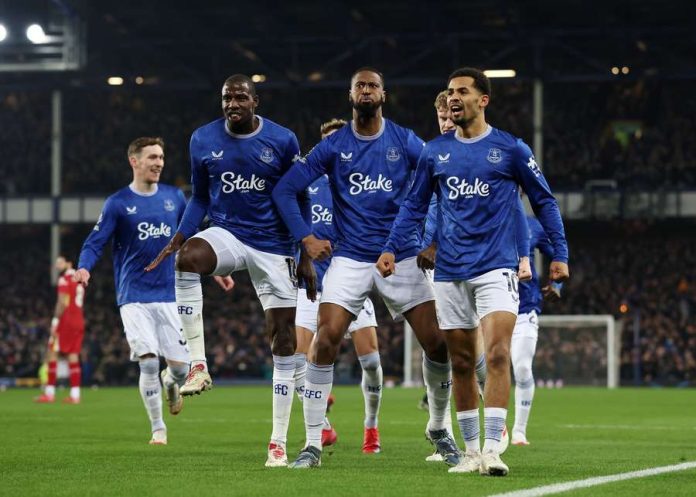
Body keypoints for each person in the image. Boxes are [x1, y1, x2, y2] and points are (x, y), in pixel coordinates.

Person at [377, 67, 569, 476]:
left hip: (495, 268)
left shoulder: (511, 149)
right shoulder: (434, 152)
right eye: (449, 93)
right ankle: (470, 452)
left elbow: (545, 201)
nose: (453, 99)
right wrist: (392, 247)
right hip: (449, 272)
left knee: (497, 353)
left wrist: (559, 254)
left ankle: (495, 449)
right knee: (462, 363)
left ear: (483, 100)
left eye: (462, 92)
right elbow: (413, 205)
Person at [273, 67, 459, 469]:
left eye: (373, 85)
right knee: (326, 339)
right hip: (351, 257)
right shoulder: (334, 145)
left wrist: (432, 241)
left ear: (383, 95)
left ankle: (439, 428)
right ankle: (311, 445)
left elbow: (442, 179)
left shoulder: (403, 140)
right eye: (360, 85)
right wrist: (305, 237)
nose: (367, 91)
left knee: (438, 343)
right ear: (351, 95)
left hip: (402, 256)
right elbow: (285, 188)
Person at [145, 74, 308, 468]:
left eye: (240, 97)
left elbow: (299, 194)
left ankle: (278, 443)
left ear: (256, 101)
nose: (232, 104)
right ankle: (198, 365)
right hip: (228, 234)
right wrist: (181, 235)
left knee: (284, 346)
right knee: (187, 260)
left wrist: (305, 248)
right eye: (226, 98)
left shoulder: (283, 140)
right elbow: (200, 196)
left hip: (274, 246)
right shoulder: (202, 139)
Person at [74, 137, 189, 445]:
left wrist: (215, 269)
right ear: (134, 161)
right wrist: (85, 266)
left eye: (162, 157)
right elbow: (95, 241)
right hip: (134, 295)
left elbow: (191, 238)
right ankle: (158, 428)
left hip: (170, 294)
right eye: (152, 157)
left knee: (181, 371)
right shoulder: (118, 203)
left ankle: (170, 383)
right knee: (149, 361)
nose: (159, 163)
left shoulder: (175, 197)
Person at [293, 118, 383, 454]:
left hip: (351, 283)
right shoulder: (307, 185)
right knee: (294, 361)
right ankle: (323, 430)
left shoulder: (364, 185)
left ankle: (371, 429)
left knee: (371, 363)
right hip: (312, 285)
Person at [511, 210, 562, 446]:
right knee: (485, 368)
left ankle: (519, 430)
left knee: (521, 368)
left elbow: (557, 257)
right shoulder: (481, 214)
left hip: (525, 307)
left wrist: (557, 283)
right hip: (488, 307)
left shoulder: (533, 225)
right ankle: (495, 425)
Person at [35, 255, 86, 404]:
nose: (57, 265)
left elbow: (62, 302)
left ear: (69, 263)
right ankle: (75, 395)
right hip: (79, 320)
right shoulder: (80, 279)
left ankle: (49, 393)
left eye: (60, 262)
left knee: (52, 352)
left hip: (66, 321)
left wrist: (55, 321)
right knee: (73, 354)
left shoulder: (64, 279)